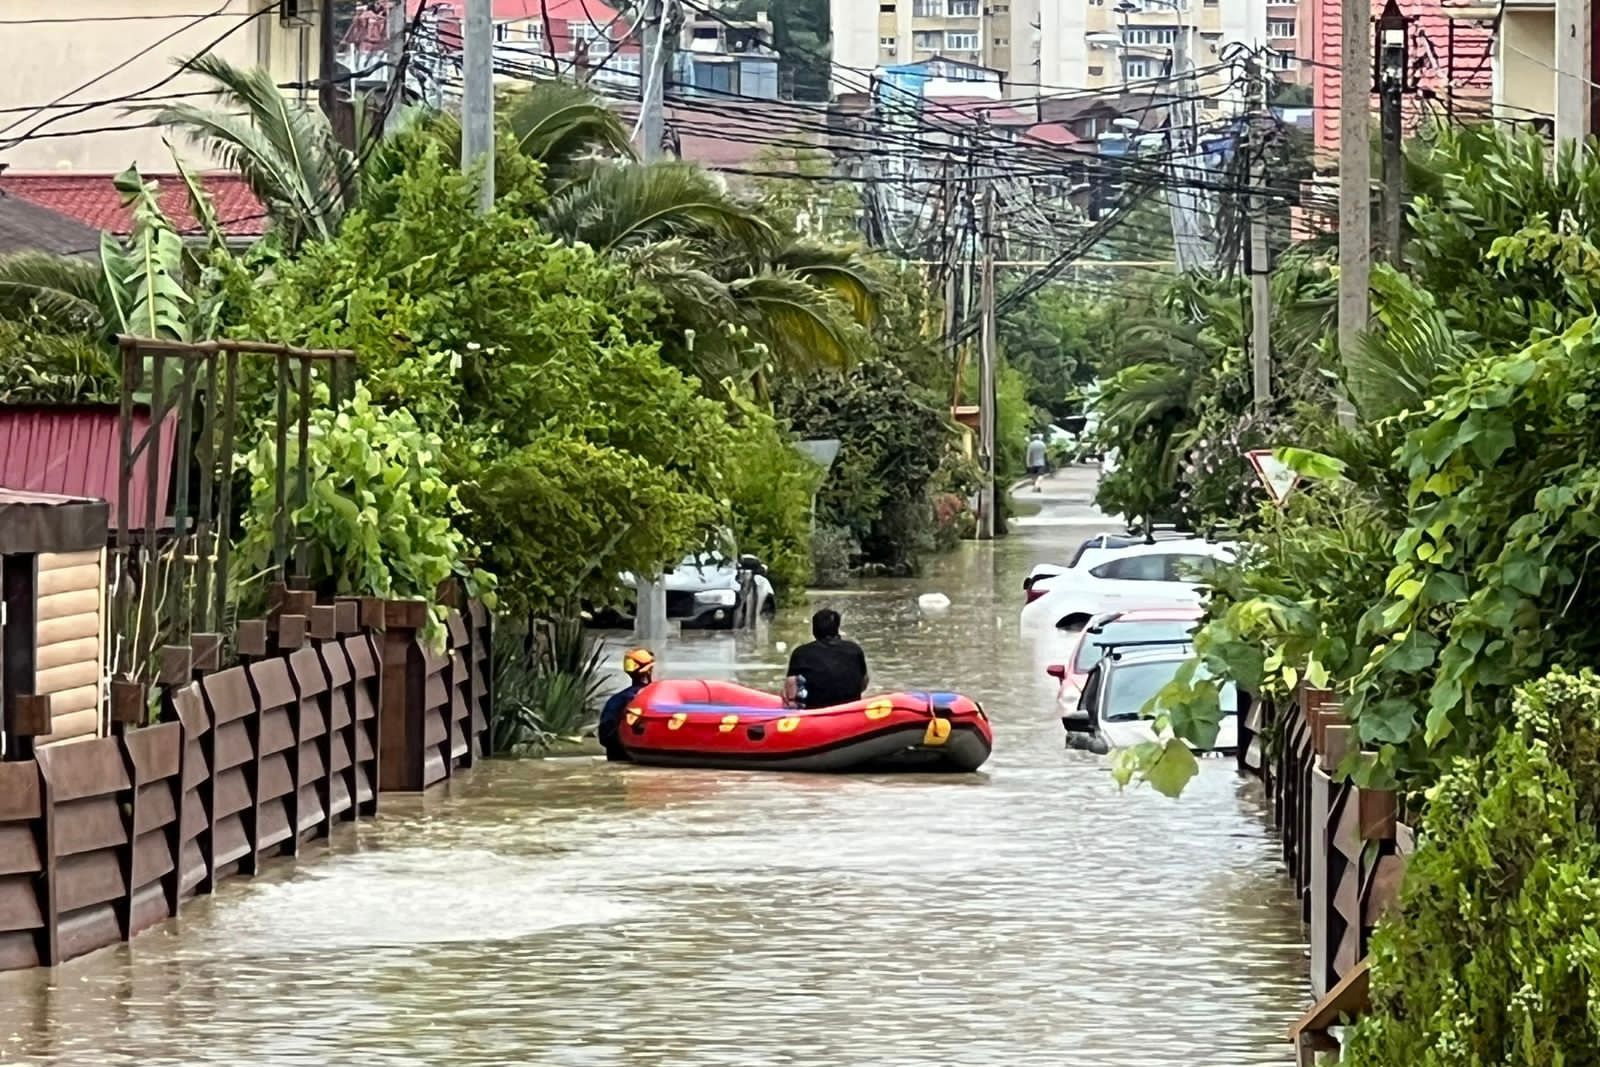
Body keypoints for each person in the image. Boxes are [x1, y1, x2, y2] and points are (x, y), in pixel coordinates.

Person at [783, 609, 869, 709]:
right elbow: (863, 683)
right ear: (837, 628)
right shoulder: (855, 649)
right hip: (850, 710)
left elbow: (791, 691)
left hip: (816, 711)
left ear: (814, 630)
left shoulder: (801, 653)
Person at [597, 648, 655, 762]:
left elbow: (604, 735)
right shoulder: (654, 698)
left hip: (617, 755)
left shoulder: (616, 700)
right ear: (649, 670)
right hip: (642, 758)